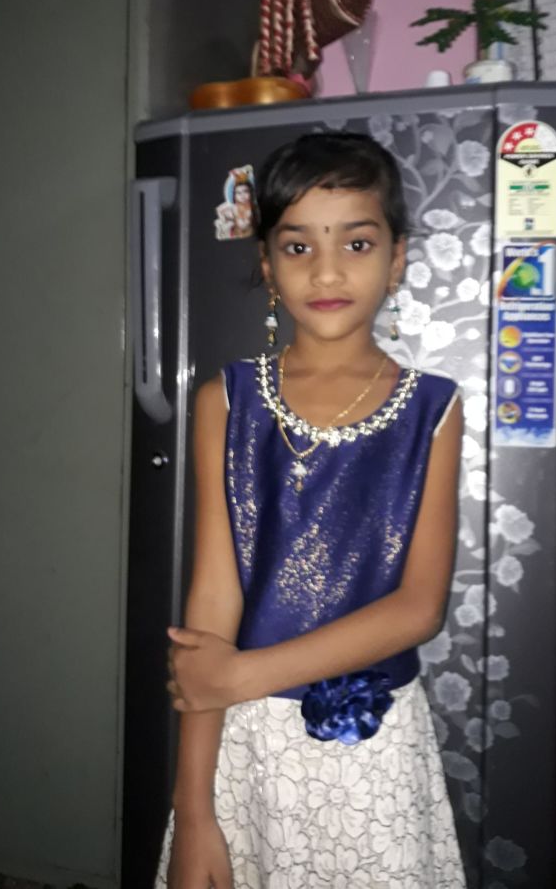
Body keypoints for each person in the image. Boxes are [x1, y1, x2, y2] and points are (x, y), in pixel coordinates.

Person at [157, 132, 466, 889]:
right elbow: (212, 603)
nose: (327, 271)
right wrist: (193, 810)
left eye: (356, 243)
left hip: (375, 752)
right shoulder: (224, 401)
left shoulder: (433, 409)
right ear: (267, 264)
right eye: (298, 247)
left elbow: (419, 608)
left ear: (397, 258)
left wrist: (240, 674)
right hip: (246, 742)